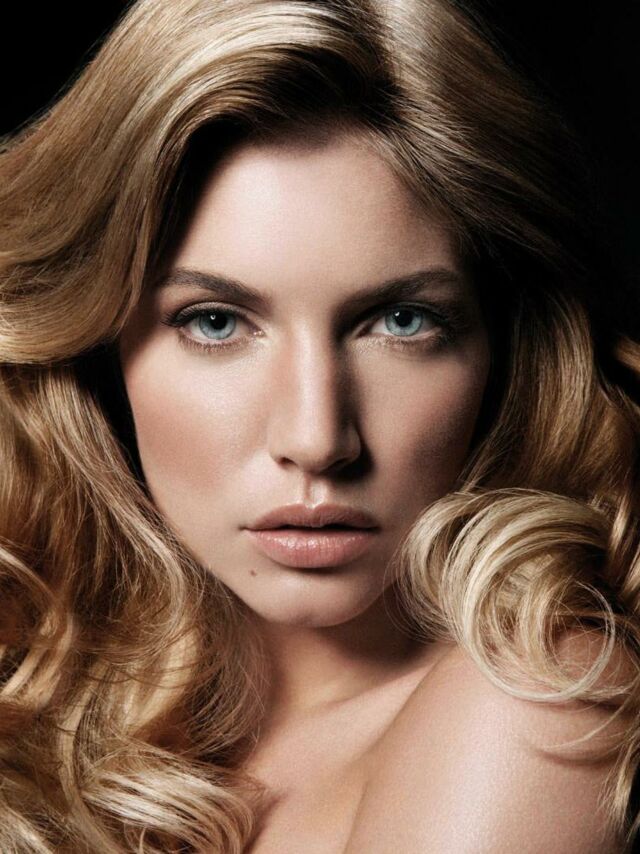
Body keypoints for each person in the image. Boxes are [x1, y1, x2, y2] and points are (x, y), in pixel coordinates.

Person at [0, 0, 638, 851]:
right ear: (98, 347)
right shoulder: (59, 706)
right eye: (216, 322)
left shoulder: (536, 708)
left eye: (402, 321)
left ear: (503, 346)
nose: (317, 438)